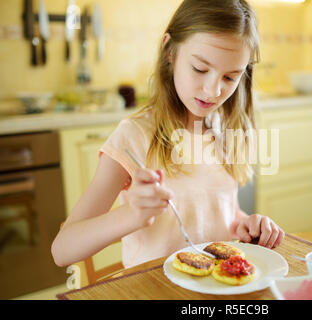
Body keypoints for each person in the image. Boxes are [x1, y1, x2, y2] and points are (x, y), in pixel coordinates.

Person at [51, 0, 285, 269]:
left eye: (230, 77)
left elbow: (216, 212)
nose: (212, 91)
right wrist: (131, 215)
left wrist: (244, 224)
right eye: (199, 69)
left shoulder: (225, 128)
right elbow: (63, 250)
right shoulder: (134, 136)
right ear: (169, 51)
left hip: (216, 288)